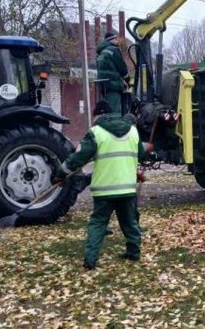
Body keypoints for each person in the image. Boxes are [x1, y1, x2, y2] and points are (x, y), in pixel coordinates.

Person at [54, 100, 152, 270]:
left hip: (104, 191)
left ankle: (90, 259)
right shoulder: (133, 131)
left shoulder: (96, 132)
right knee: (129, 223)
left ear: (98, 115)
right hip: (127, 189)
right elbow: (140, 155)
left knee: (98, 224)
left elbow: (78, 158)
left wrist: (60, 174)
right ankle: (134, 252)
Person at [96, 31, 129, 115]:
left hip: (103, 87)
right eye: (116, 39)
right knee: (115, 112)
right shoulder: (113, 50)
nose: (117, 41)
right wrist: (126, 79)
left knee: (106, 111)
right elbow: (122, 68)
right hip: (113, 86)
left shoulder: (100, 53)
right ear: (111, 40)